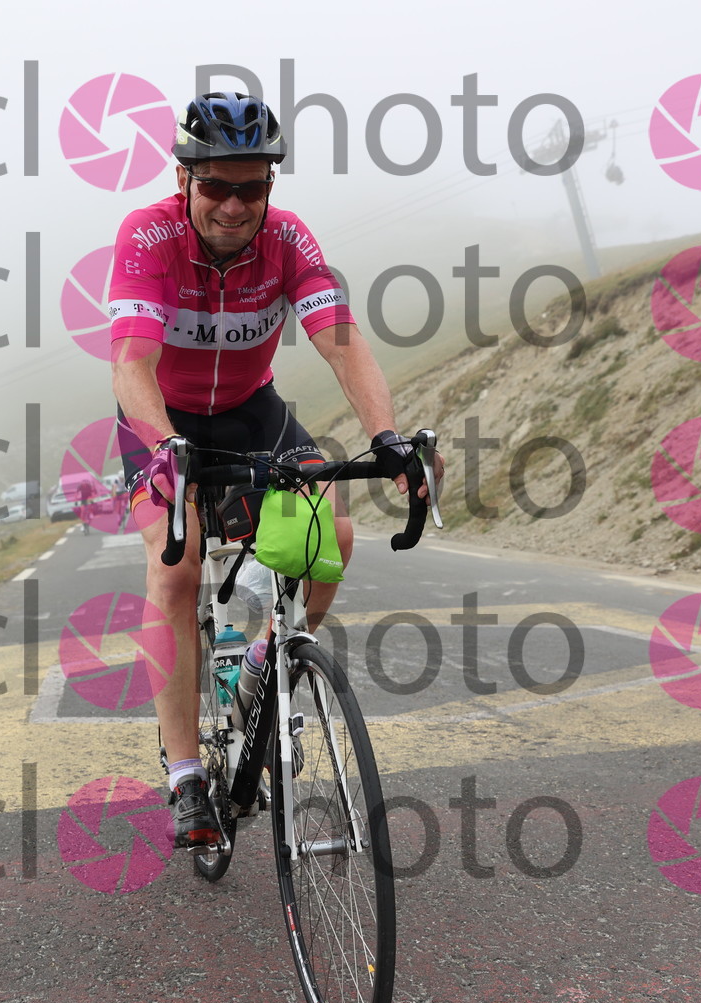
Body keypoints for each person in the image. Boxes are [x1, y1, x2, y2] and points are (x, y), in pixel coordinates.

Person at [107, 91, 442, 848]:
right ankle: (186, 776)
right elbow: (132, 361)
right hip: (161, 416)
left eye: (251, 187)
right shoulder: (149, 235)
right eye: (216, 186)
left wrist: (386, 436)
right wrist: (165, 448)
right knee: (177, 565)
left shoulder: (288, 239)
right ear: (184, 179)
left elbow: (341, 340)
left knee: (332, 536)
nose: (233, 205)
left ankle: (263, 665)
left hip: (250, 410)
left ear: (270, 185)